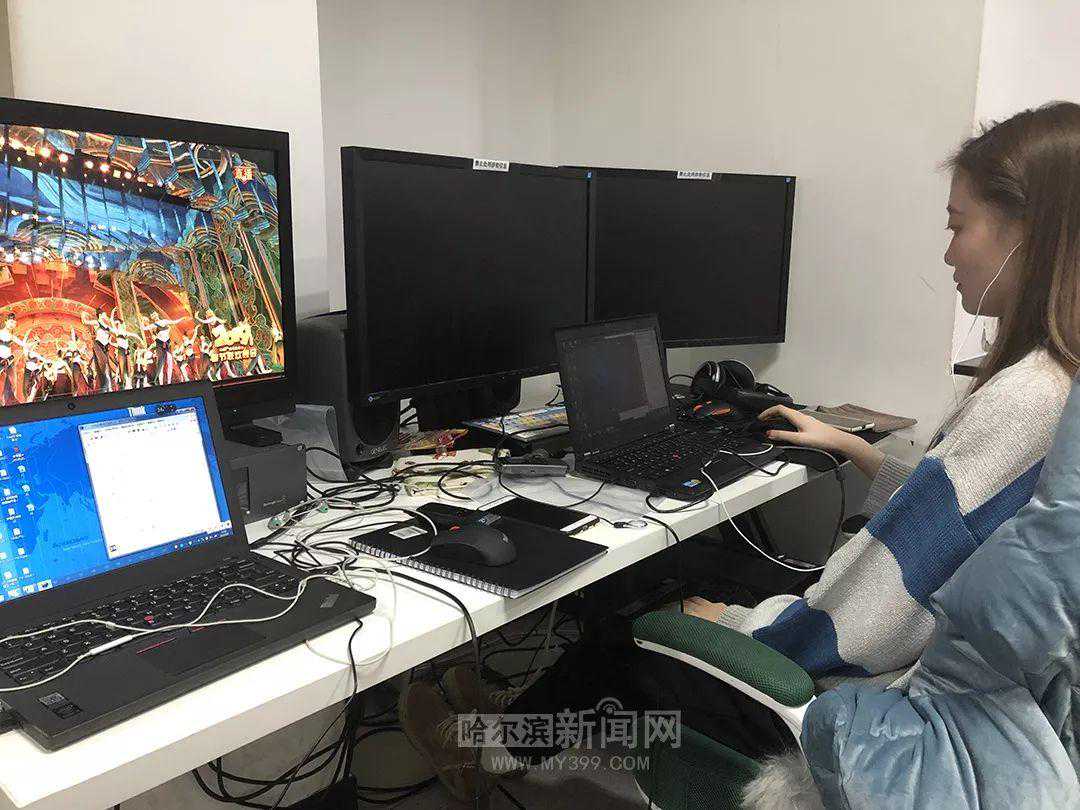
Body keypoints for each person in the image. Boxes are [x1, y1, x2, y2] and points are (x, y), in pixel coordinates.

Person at [398, 101, 1080, 799]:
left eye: (958, 225)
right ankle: (530, 723)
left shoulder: (1020, 401)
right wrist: (850, 445)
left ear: (1030, 231)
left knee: (625, 633)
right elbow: (953, 521)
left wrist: (735, 624)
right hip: (939, 692)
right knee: (699, 571)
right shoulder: (1059, 383)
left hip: (850, 708)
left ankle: (482, 749)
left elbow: (865, 624)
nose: (948, 253)